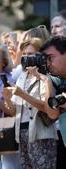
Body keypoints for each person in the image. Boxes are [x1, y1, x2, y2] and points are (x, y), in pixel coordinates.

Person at [2, 38, 57, 169]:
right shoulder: (22, 76)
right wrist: (8, 98)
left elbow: (47, 107)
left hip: (40, 134)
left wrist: (22, 94)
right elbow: (14, 111)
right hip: (22, 134)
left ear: (40, 56)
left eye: (31, 54)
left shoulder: (46, 77)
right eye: (25, 54)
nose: (27, 58)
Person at [39, 36, 66, 169]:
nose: (47, 63)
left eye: (50, 58)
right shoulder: (58, 80)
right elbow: (52, 114)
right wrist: (46, 80)